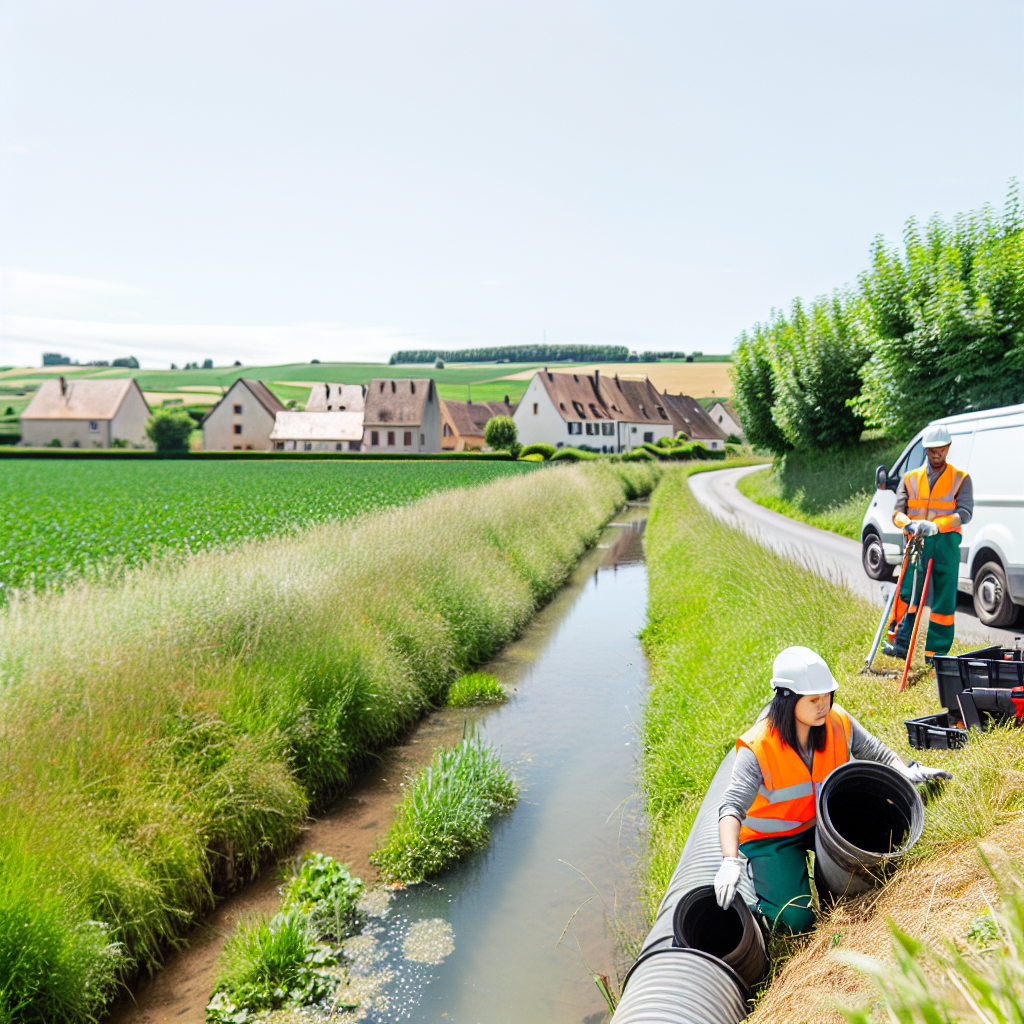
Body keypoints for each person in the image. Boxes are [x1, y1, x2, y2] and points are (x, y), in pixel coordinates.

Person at [713, 646, 950, 933]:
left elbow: (877, 753)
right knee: (796, 923)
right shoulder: (759, 747)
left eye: (827, 696)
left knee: (860, 883)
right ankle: (766, 909)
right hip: (772, 838)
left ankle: (825, 885)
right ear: (786, 699)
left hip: (822, 822)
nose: (823, 705)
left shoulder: (837, 721)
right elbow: (730, 809)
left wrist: (908, 771)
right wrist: (729, 861)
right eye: (813, 699)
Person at [884, 424, 973, 660]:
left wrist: (937, 525)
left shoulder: (960, 478)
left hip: (946, 543)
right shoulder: (910, 479)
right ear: (926, 450)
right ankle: (899, 642)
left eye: (941, 450)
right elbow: (897, 513)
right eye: (933, 450)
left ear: (948, 448)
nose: (937, 455)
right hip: (917, 542)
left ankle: (936, 654)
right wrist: (908, 524)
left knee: (944, 600)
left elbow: (965, 513)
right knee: (909, 591)